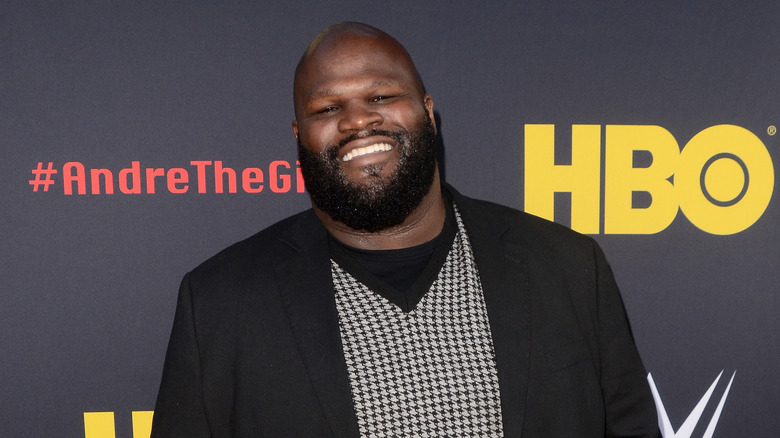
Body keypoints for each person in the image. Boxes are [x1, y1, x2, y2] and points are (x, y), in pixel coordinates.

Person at [151, 22, 660, 437]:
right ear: (298, 137)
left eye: (381, 96)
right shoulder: (220, 301)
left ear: (429, 113)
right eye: (327, 108)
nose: (356, 121)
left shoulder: (566, 266)